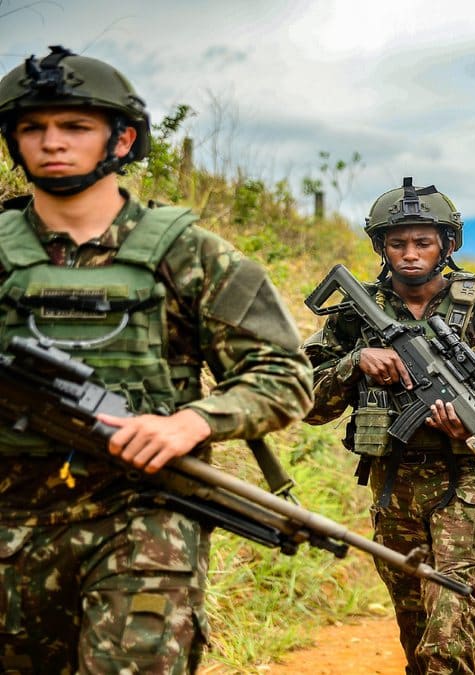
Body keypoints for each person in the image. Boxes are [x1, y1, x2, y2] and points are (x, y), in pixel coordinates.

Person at [0, 46, 314, 672]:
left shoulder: (193, 256)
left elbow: (283, 375)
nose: (51, 143)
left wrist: (190, 423)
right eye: (32, 128)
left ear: (121, 139)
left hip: (145, 514)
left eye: (74, 126)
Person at [303, 178, 475, 673]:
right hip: (392, 485)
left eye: (423, 242)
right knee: (414, 624)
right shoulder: (357, 316)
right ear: (381, 247)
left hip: (465, 482)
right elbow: (305, 401)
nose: (411, 254)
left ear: (447, 244)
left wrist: (473, 431)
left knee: (447, 624)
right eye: (397, 243)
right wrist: (354, 363)